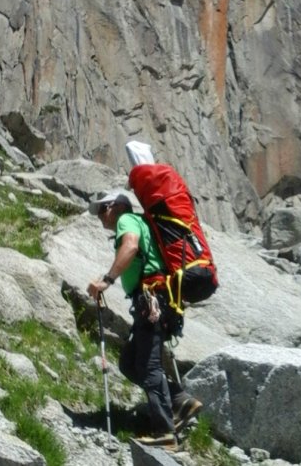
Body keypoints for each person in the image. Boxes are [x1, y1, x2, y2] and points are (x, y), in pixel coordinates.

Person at [86, 190, 202, 450]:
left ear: (116, 206)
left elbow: (131, 246)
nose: (100, 216)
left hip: (150, 300)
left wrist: (107, 280)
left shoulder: (127, 220)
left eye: (103, 209)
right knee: (129, 362)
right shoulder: (141, 222)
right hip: (158, 300)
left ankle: (165, 433)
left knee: (149, 367)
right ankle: (181, 401)